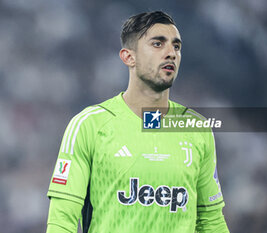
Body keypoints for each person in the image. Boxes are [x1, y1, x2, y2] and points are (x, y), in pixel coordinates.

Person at [46, 11, 229, 233]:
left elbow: (210, 222)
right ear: (128, 57)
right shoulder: (90, 125)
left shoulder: (196, 129)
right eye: (158, 44)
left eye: (176, 47)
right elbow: (61, 221)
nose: (171, 53)